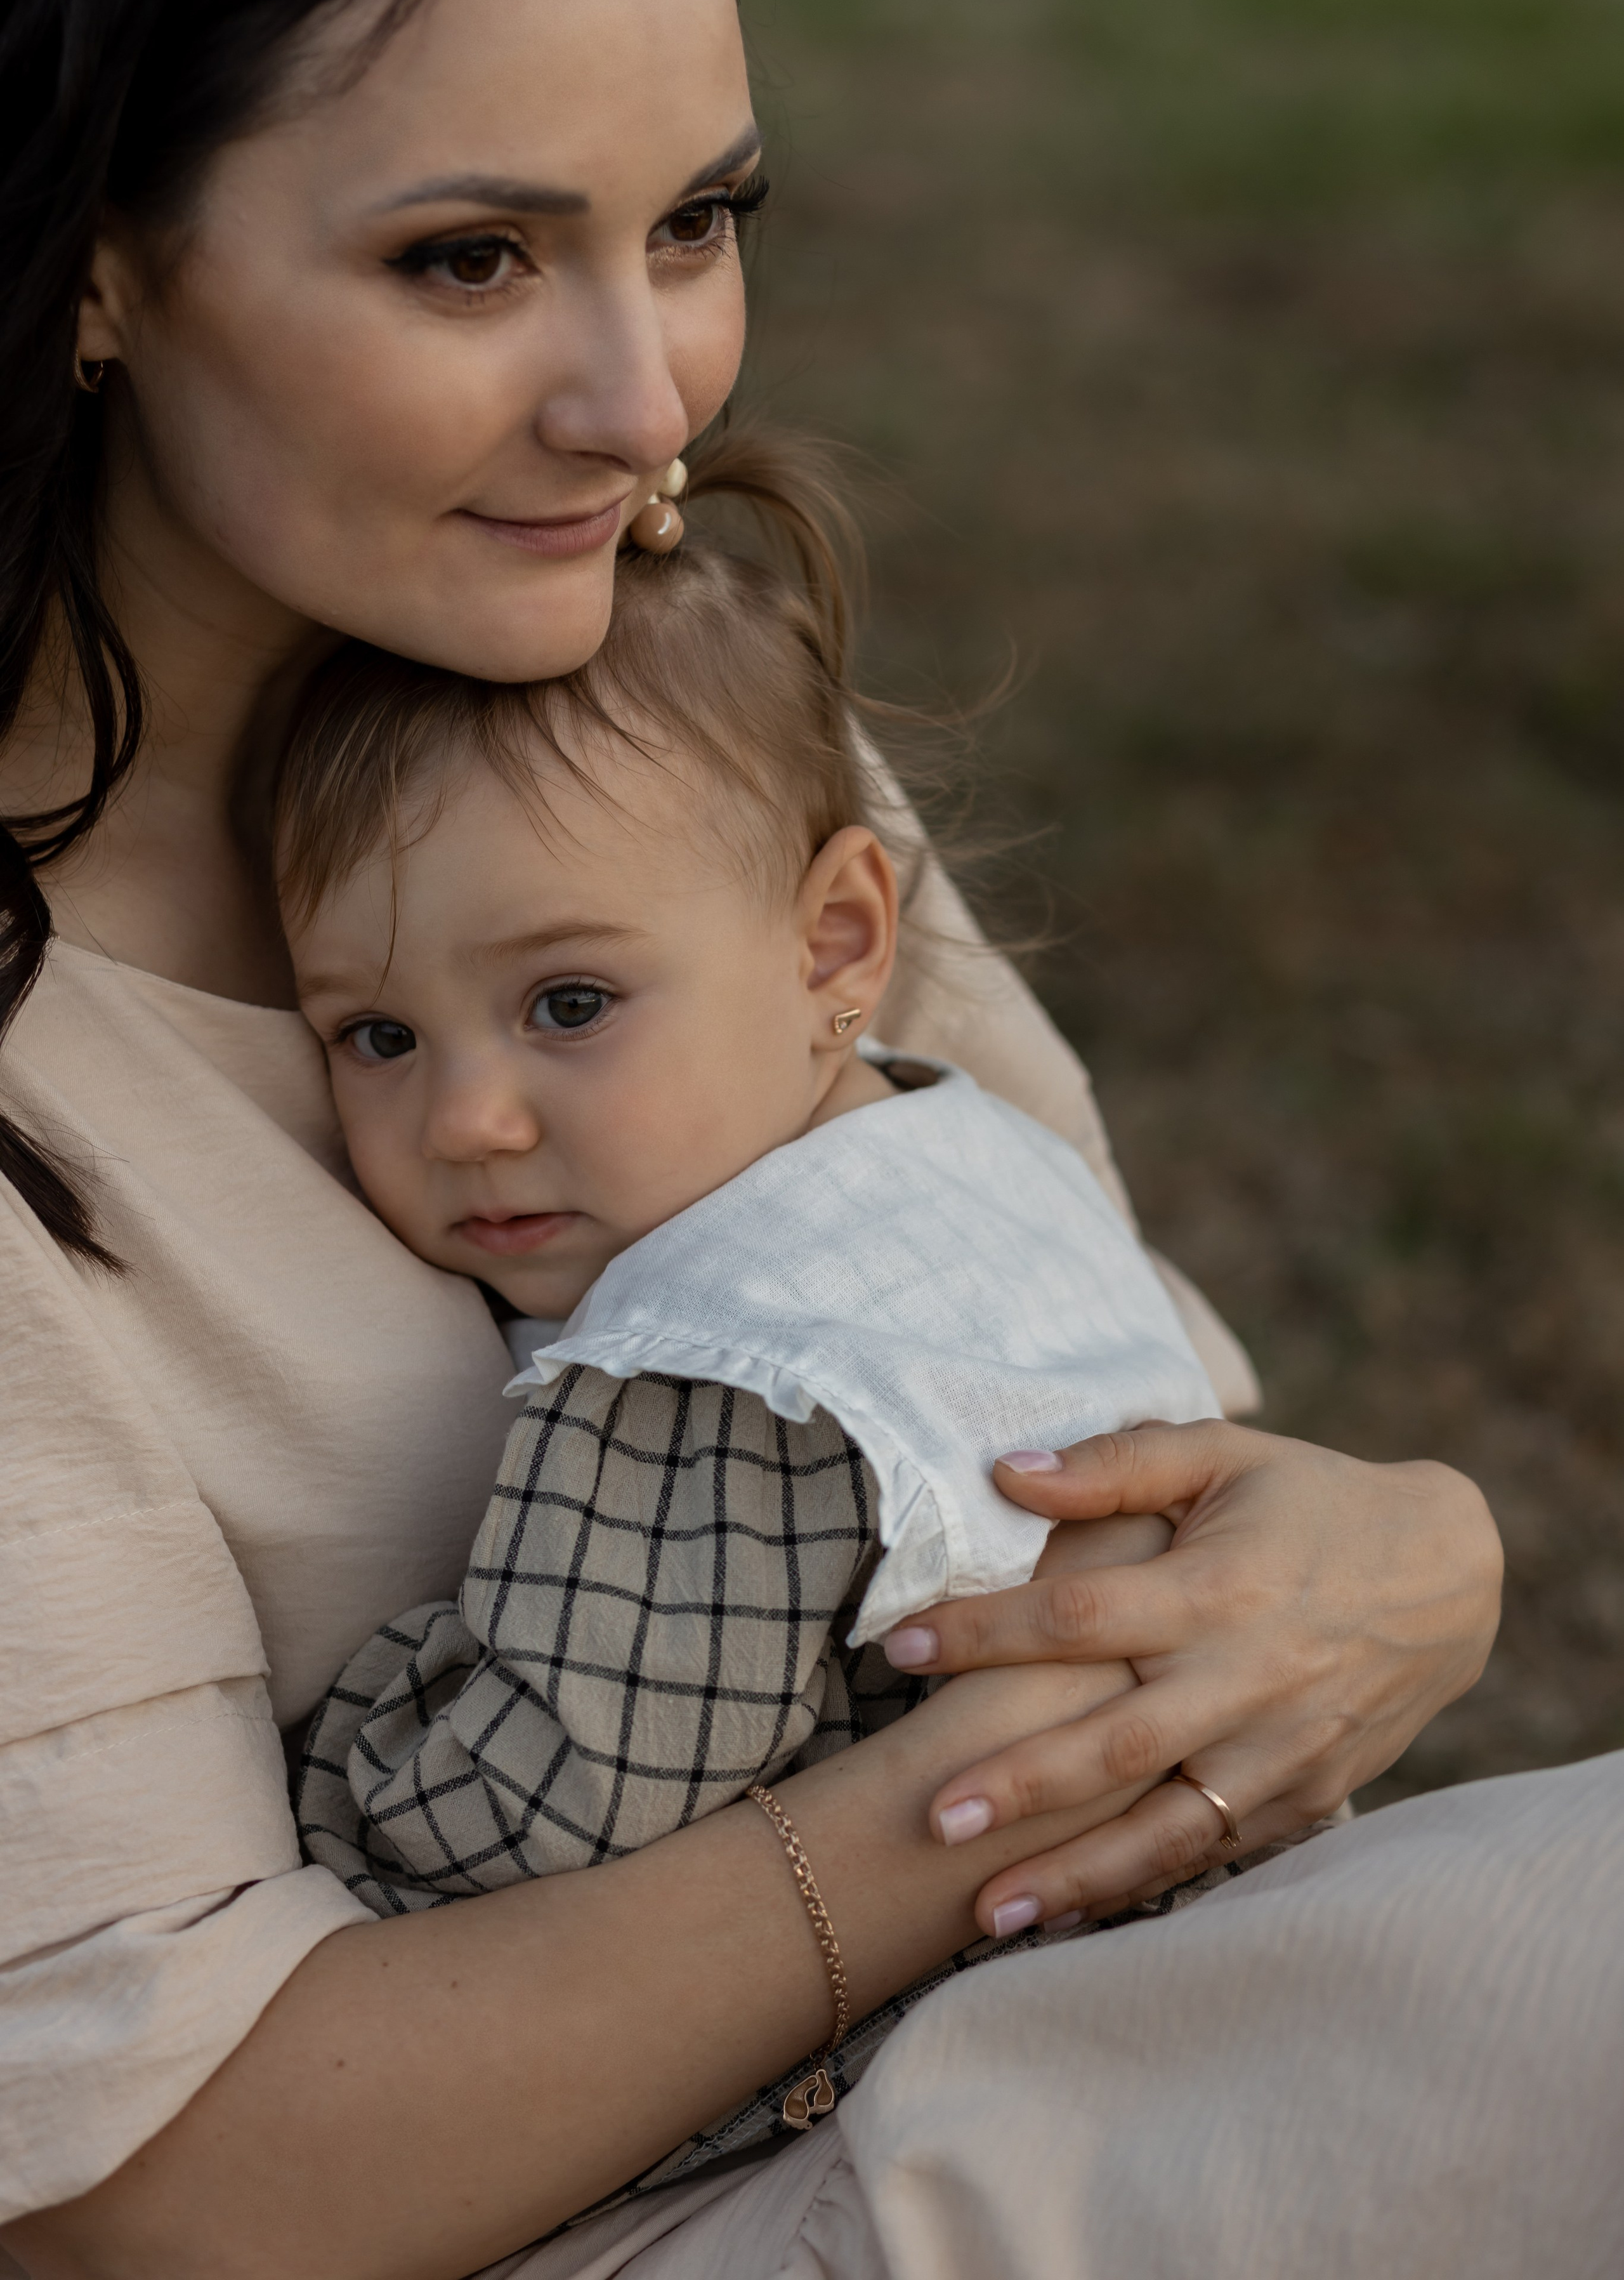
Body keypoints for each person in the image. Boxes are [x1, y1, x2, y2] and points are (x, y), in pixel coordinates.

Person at [0, 0, 1501, 2274]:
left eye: (697, 223)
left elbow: (1131, 1446)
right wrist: (1011, 1787)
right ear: (91, 253)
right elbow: (147, 2201)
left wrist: (1424, 1546)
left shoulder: (625, 738)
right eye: (469, 257)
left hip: (1031, 2032)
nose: (644, 392)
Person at [277, 450, 1224, 2190]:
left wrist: (338, 1740)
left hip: (908, 2079)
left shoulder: (711, 1373)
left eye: (569, 1002)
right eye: (375, 1034)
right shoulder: (961, 1153)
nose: (466, 1116)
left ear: (836, 940)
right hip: (1172, 1938)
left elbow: (539, 1818)